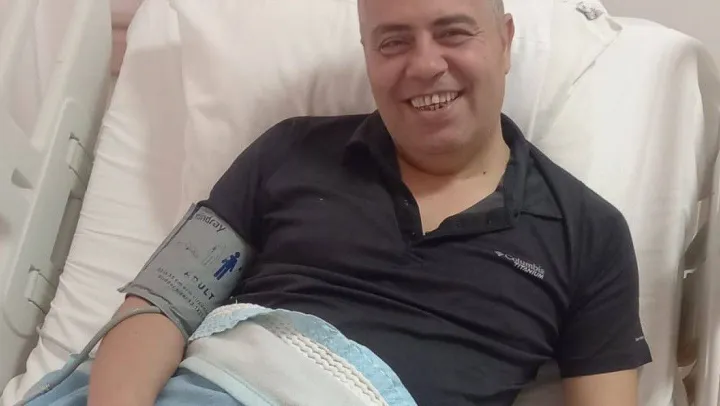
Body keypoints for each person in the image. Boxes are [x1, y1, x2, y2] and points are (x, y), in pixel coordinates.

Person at [88, 0, 652, 405]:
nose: (425, 65)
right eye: (394, 41)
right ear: (367, 53)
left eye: (453, 33)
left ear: (505, 42)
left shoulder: (588, 233)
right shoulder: (287, 152)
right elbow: (159, 306)